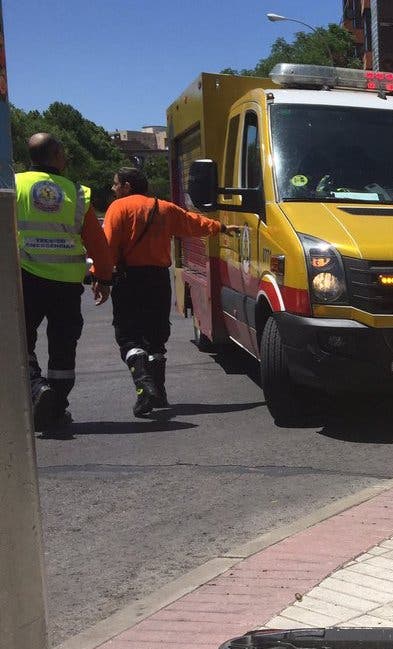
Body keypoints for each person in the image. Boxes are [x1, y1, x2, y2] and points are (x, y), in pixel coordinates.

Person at [103, 166, 233, 417]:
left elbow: (107, 245)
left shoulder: (117, 208)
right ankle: (158, 393)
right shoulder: (164, 208)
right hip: (158, 280)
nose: (113, 188)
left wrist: (101, 278)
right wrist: (222, 228)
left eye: (115, 184)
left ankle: (144, 388)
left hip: (129, 279)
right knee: (155, 338)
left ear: (127, 186)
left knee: (129, 337)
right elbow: (194, 223)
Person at [16, 133, 115, 431]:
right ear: (57, 155)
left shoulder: (13, 185)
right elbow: (98, 244)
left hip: (25, 279)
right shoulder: (76, 192)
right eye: (65, 153)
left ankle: (36, 390)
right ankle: (55, 408)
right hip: (66, 286)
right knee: (63, 346)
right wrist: (104, 278)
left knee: (20, 341)